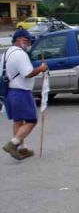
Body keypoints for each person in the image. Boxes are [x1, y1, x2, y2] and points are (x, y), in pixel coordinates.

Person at [1, 29, 47, 160]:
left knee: (18, 120)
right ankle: (13, 143)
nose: (28, 44)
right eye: (27, 41)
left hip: (9, 92)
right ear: (19, 40)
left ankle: (22, 149)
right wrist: (41, 69)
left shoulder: (6, 53)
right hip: (21, 92)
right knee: (32, 120)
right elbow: (27, 73)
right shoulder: (20, 54)